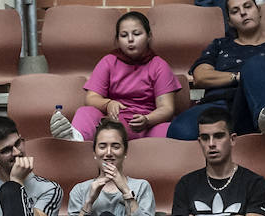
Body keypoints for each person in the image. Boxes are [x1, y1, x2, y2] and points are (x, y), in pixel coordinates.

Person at [167, 0, 265, 140]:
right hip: (220, 108)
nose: (243, 13)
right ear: (229, 21)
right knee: (180, 130)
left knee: (257, 64)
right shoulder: (220, 44)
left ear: (259, 11)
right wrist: (243, 78)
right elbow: (201, 77)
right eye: (235, 11)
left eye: (248, 6)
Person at [51, 11, 179, 142]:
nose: (130, 39)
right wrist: (108, 104)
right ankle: (75, 139)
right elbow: (91, 97)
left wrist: (147, 120)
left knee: (170, 129)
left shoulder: (159, 65)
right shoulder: (108, 61)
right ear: (117, 40)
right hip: (113, 123)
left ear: (149, 36)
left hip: (148, 125)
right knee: (86, 112)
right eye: (124, 35)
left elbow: (166, 108)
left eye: (137, 34)